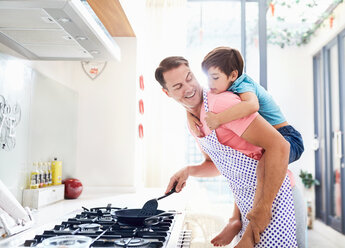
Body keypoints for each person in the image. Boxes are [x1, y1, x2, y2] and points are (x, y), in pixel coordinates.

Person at [155, 56, 297, 247]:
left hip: (275, 200)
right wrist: (187, 171)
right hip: (249, 204)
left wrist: (261, 213)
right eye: (178, 86)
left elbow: (280, 146)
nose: (188, 88)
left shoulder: (219, 106)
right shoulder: (194, 122)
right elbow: (216, 165)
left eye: (189, 78)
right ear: (167, 93)